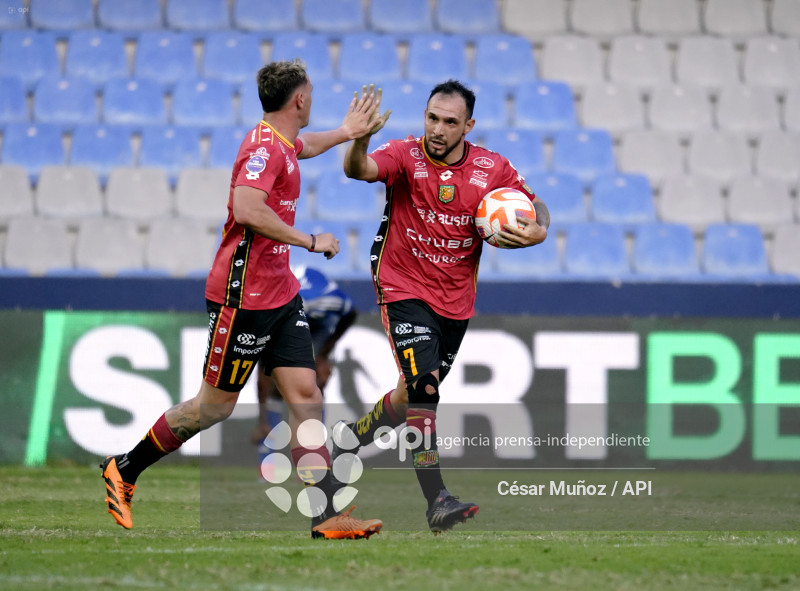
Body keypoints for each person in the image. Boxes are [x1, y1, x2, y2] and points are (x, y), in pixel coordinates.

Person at [101, 60, 389, 540]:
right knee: (211, 409)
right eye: (311, 93)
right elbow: (246, 209)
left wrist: (345, 131)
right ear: (299, 99)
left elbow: (307, 146)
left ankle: (328, 516)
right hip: (243, 298)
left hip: (280, 293)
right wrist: (309, 240)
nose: (312, 98)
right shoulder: (262, 147)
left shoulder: (283, 143)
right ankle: (124, 469)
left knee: (306, 398)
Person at [333, 79, 550, 533]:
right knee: (426, 392)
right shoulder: (404, 154)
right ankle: (437, 500)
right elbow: (358, 170)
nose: (437, 129)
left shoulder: (492, 168)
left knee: (408, 396)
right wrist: (361, 139)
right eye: (432, 117)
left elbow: (535, 206)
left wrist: (539, 229)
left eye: (450, 122)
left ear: (468, 125)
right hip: (402, 284)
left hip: (455, 300)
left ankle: (348, 442)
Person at [250, 266, 359, 453]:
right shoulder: (273, 311)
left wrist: (325, 352)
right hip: (282, 317)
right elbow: (262, 373)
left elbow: (351, 314)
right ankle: (269, 448)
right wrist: (262, 420)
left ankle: (314, 450)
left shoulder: (331, 301)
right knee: (275, 384)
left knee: (313, 384)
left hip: (317, 325)